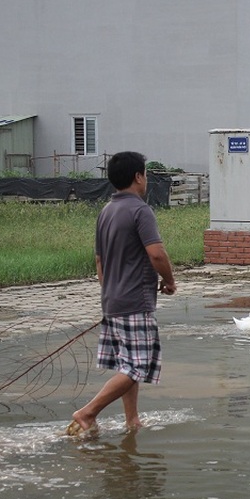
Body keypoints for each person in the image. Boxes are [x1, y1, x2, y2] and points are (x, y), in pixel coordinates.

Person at [67, 151, 176, 436]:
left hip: (112, 300)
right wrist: (169, 280)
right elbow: (157, 254)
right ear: (138, 177)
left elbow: (99, 261)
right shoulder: (140, 210)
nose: (146, 180)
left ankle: (132, 420)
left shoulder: (106, 211)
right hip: (134, 302)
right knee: (139, 366)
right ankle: (87, 413)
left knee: (128, 364)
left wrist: (110, 292)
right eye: (146, 175)